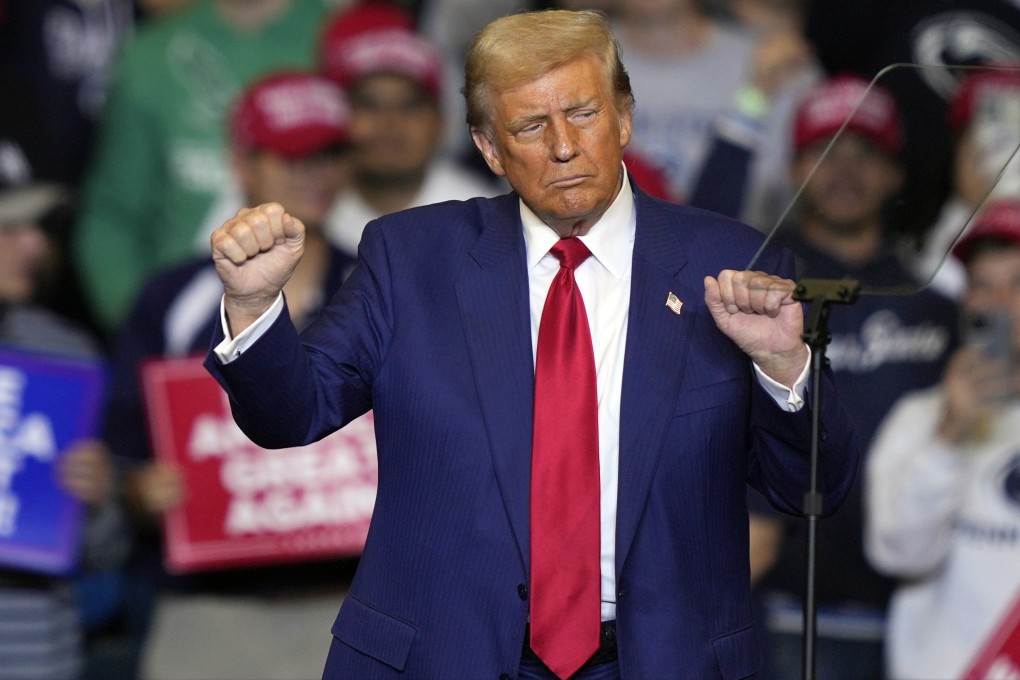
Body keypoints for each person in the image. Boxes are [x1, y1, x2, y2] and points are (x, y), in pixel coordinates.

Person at [204, 9, 859, 678]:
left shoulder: (731, 261)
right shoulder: (412, 259)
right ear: (489, 148)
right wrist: (255, 305)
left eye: (583, 113)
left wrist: (784, 364)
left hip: (664, 661)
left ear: (625, 117)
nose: (565, 146)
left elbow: (811, 489)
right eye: (530, 126)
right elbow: (290, 415)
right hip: (440, 658)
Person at [103, 70, 358, 680]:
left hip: (353, 608)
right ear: (242, 162)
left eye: (329, 154)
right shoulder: (173, 298)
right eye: (292, 156)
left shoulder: (380, 284)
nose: (314, 173)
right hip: (209, 614)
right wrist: (141, 491)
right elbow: (121, 453)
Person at [745, 74, 959, 680]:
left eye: (866, 153)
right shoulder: (757, 287)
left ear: (896, 174)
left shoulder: (932, 301)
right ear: (792, 168)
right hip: (774, 604)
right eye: (826, 151)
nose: (845, 170)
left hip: (913, 617)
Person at [72, 0, 336, 335]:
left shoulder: (335, 36)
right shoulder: (152, 53)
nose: (309, 166)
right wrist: (147, 331)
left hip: (328, 308)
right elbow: (110, 216)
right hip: (182, 325)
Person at [866, 199, 1020, 680]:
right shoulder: (920, 417)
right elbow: (898, 554)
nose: (997, 303)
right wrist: (949, 434)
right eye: (982, 286)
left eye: (1018, 285)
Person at [0, 139, 126, 680]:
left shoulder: (63, 354)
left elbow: (107, 552)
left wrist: (95, 500)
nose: (35, 244)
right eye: (9, 227)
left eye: (37, 225)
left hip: (35, 654)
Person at [316, 0, 501, 258]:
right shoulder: (312, 213)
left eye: (409, 106)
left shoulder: (485, 219)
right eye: (369, 104)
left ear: (441, 122)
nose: (389, 123)